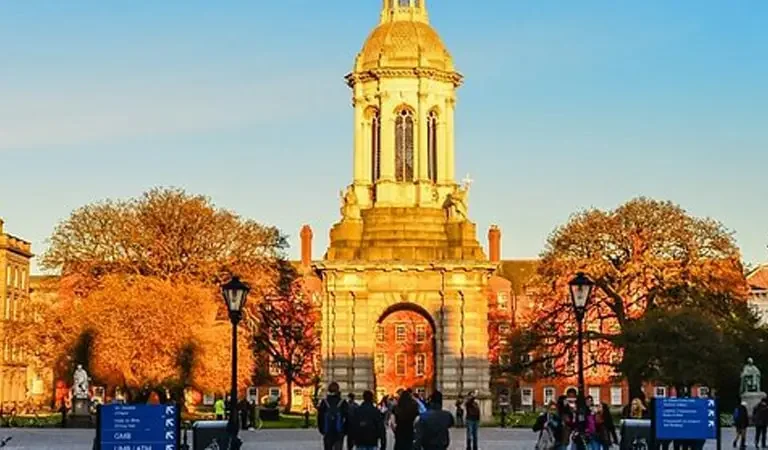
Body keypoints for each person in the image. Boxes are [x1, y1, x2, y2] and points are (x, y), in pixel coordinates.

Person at [318, 382, 349, 450]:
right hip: (339, 431)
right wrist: (345, 430)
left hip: (328, 431)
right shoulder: (342, 402)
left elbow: (320, 417)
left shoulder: (324, 402)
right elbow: (348, 417)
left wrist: (322, 429)